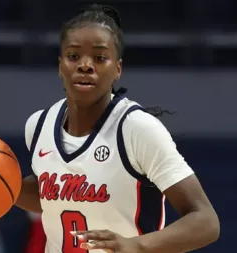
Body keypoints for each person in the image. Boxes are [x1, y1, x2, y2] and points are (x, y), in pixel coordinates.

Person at [15, 4, 220, 253]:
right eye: (73, 56)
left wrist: (137, 245)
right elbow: (53, 198)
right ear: (60, 66)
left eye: (100, 58)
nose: (85, 65)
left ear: (118, 69)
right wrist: (3, 187)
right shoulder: (38, 126)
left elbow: (206, 221)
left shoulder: (136, 129)